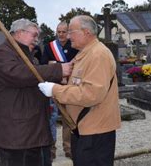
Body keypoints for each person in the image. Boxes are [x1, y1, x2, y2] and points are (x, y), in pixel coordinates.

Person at [0, 18, 72, 166]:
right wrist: (58, 69)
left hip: (31, 131)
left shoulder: (26, 55)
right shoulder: (0, 54)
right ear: (19, 33)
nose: (36, 40)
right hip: (16, 135)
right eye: (34, 35)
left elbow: (34, 79)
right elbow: (19, 74)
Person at [38, 15, 121, 166]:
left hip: (95, 130)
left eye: (71, 32)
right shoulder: (85, 54)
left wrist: (55, 90)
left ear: (86, 32)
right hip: (84, 128)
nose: (68, 36)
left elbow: (91, 94)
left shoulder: (98, 55)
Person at [40, 21, 78, 160]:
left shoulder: (74, 46)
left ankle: (68, 148)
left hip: (69, 86)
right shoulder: (50, 46)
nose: (61, 34)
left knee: (68, 118)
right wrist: (62, 66)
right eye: (59, 32)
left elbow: (77, 64)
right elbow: (44, 64)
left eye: (64, 32)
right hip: (53, 87)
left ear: (68, 32)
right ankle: (51, 149)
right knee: (51, 119)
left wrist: (55, 64)